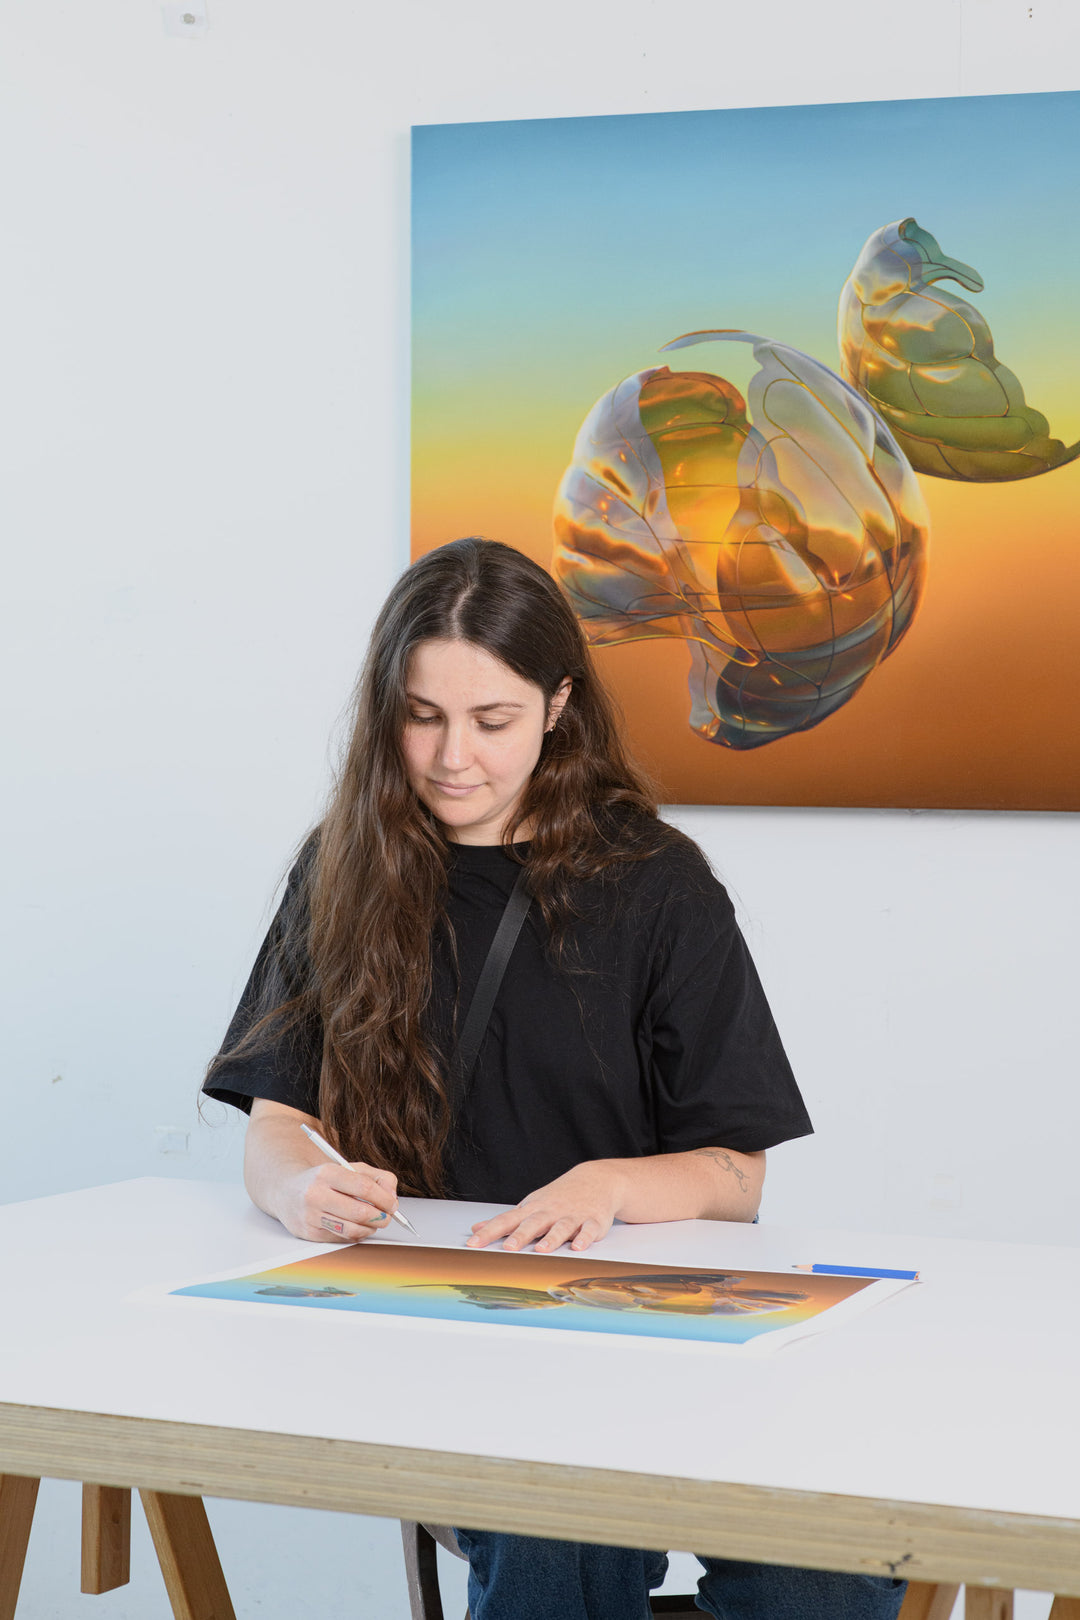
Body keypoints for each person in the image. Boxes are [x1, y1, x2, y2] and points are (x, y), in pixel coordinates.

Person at [203, 537, 905, 1620]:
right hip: (451, 1343)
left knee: (824, 1558)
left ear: (559, 704)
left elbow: (736, 1176)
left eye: (492, 722)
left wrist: (610, 1187)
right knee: (556, 1521)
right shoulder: (339, 864)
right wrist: (300, 1188)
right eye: (422, 716)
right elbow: (276, 1123)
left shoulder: (657, 884)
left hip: (659, 1334)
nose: (451, 759)